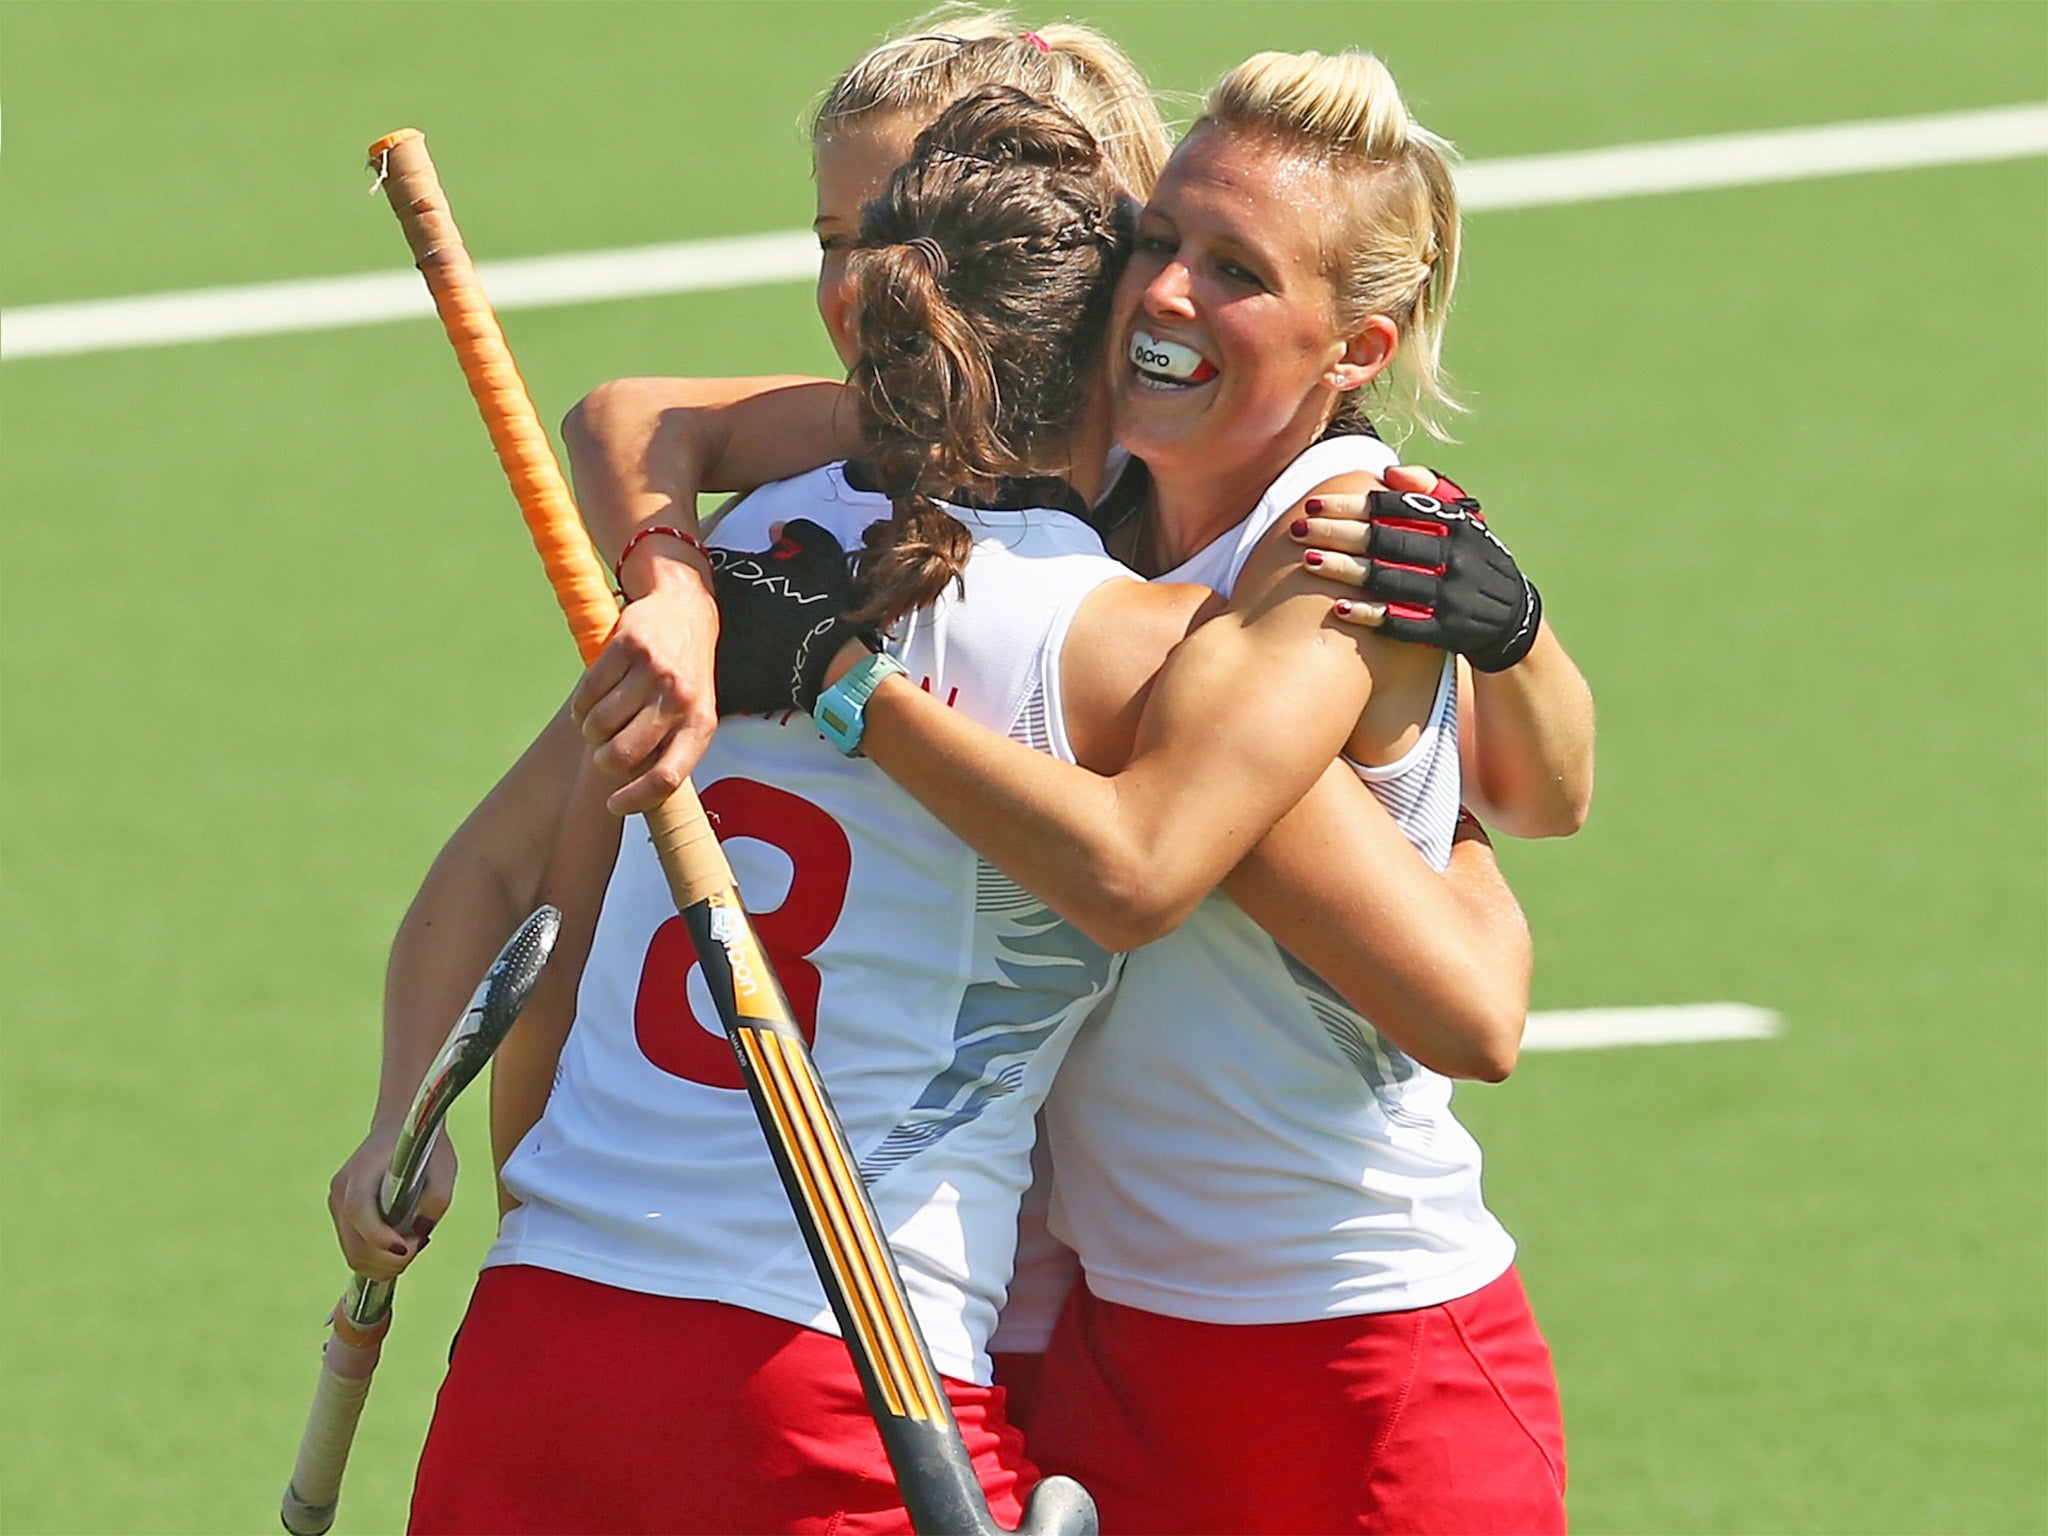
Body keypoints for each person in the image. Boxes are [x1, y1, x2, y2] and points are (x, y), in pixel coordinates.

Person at [582, 49, 1577, 1535]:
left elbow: (1186, 882)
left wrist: (849, 684)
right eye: (1158, 243)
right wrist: (663, 582)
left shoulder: (1343, 542)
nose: (1168, 296)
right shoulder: (1089, 481)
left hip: (1357, 1352)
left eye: (1235, 271)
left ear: (1355, 346)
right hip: (1119, 1356)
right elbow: (643, 413)